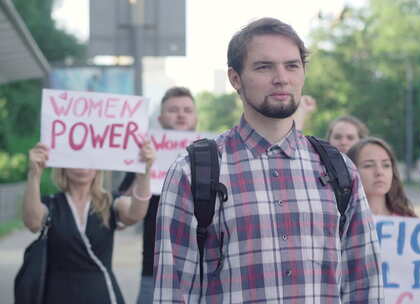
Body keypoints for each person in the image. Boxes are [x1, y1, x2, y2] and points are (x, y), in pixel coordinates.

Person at [153, 17, 384, 303]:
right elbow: (172, 292)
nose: (281, 78)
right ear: (235, 78)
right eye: (264, 67)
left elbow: (364, 286)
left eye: (292, 65)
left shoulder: (339, 169)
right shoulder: (192, 172)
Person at [22, 141, 155, 304]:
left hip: (103, 295)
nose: (82, 167)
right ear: (63, 165)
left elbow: (136, 213)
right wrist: (34, 174)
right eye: (75, 160)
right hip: (57, 295)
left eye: (88, 160)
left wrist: (144, 174)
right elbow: (32, 222)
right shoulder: (51, 204)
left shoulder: (110, 202)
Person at [116, 86, 198, 304]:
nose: (181, 115)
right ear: (160, 119)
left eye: (187, 110)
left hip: (203, 273)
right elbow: (120, 216)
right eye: (173, 110)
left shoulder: (214, 155)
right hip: (154, 271)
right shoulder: (141, 156)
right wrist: (143, 169)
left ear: (196, 118)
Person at [347, 137, 416, 217]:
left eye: (386, 165)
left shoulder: (410, 221)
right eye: (368, 165)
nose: (379, 172)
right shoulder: (339, 222)